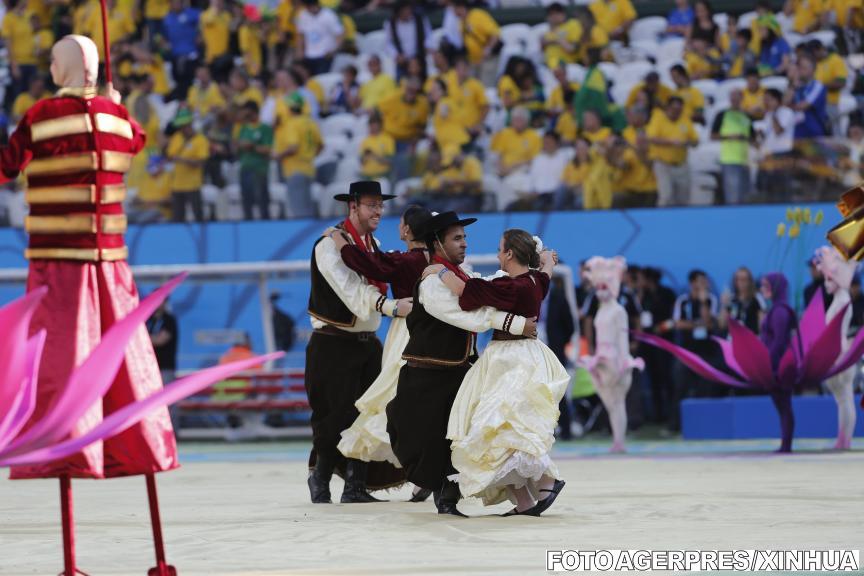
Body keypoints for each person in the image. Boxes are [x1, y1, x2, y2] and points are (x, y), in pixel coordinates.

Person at [0, 33, 176, 569]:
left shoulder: (42, 114)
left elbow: (7, 166)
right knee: (132, 380)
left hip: (60, 274)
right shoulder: (121, 121)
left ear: (69, 66)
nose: (49, 66)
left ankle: (71, 557)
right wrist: (114, 104)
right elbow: (138, 138)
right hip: (113, 274)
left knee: (61, 387)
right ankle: (159, 556)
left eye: (55, 60)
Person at [386, 212, 536, 517]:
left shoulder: (456, 274)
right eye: (457, 238)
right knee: (426, 440)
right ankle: (448, 495)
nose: (465, 243)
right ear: (437, 242)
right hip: (427, 375)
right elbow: (467, 316)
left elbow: (481, 291)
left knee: (465, 436)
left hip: (458, 371)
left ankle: (454, 498)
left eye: (465, 237)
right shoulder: (432, 283)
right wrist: (514, 322)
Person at [436, 230, 569, 516]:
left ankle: (547, 479)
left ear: (509, 253)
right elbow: (545, 271)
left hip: (510, 361)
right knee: (504, 426)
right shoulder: (534, 281)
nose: (497, 255)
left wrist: (439, 273)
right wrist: (548, 261)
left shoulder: (511, 287)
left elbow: (466, 294)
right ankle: (524, 501)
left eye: (500, 249)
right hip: (524, 356)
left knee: (505, 424)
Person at [305, 181, 409, 505]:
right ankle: (319, 478)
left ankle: (356, 485)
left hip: (367, 343)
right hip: (332, 343)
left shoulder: (372, 243)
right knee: (333, 416)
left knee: (372, 413)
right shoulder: (328, 246)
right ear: (353, 207)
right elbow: (350, 291)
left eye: (380, 204)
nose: (378, 210)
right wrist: (390, 307)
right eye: (371, 205)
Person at [334, 205, 434, 502]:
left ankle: (355, 483)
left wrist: (341, 243)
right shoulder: (437, 260)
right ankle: (428, 476)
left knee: (387, 400)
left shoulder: (408, 261)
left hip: (406, 333)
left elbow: (370, 265)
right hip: (433, 333)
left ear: (406, 231)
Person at [579, 257, 644, 453]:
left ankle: (619, 442)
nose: (600, 291)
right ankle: (617, 439)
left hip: (615, 358)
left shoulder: (619, 311)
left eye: (604, 287)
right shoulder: (600, 310)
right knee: (609, 401)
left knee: (617, 400)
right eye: (597, 287)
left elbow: (623, 338)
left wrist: (624, 360)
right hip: (600, 356)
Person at [814, 246, 858, 450]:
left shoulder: (842, 300)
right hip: (839, 351)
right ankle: (844, 438)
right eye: (825, 279)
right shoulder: (840, 300)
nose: (826, 284)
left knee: (844, 398)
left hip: (839, 354)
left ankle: (844, 439)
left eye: (829, 279)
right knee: (843, 399)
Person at [759, 272, 797, 452]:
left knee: (784, 404)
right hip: (775, 362)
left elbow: (780, 340)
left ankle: (786, 444)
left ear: (776, 288)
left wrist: (768, 361)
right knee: (782, 405)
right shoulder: (776, 309)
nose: (762, 289)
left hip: (779, 365)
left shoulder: (780, 311)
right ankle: (785, 443)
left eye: (766, 285)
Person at [710, 89, 754, 205]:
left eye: (736, 97)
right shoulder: (722, 115)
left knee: (745, 194)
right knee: (732, 195)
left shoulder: (746, 116)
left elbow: (752, 137)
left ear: (741, 98)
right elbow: (713, 136)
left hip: (745, 159)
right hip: (729, 159)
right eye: (732, 97)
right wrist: (730, 136)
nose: (734, 100)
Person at [166, 108, 209, 222]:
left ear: (189, 124)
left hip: (193, 185)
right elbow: (170, 156)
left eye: (184, 126)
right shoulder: (177, 137)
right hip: (177, 185)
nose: (182, 129)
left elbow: (200, 162)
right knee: (177, 218)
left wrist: (181, 159)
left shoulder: (201, 140)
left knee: (198, 216)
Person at [236, 101, 273, 220]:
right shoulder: (244, 128)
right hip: (245, 168)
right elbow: (238, 148)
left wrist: (251, 146)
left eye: (245, 111)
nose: (243, 114)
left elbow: (268, 149)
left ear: (252, 111)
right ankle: (248, 226)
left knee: (262, 201)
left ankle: (265, 226)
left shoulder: (265, 128)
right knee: (246, 202)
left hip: (259, 169)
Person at [296, 0, 344, 75]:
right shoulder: (303, 15)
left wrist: (334, 50)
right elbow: (301, 35)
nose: (309, 9)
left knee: (320, 78)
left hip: (324, 55)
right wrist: (300, 52)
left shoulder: (329, 15)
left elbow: (339, 35)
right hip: (309, 55)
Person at [718, 267, 766, 335]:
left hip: (751, 339)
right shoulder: (731, 299)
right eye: (738, 279)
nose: (741, 282)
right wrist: (724, 305)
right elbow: (722, 325)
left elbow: (762, 326)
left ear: (750, 281)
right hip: (733, 340)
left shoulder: (758, 298)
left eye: (744, 279)